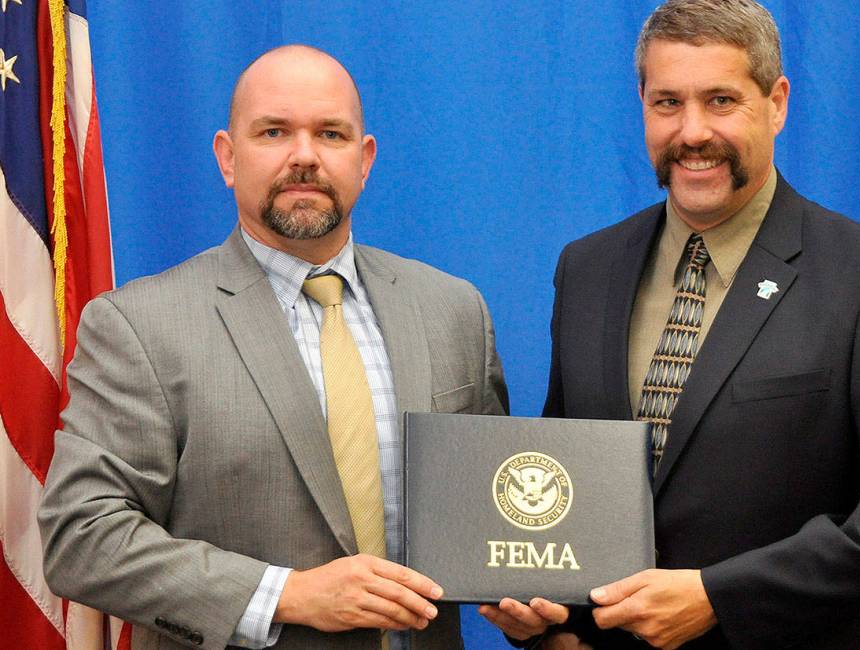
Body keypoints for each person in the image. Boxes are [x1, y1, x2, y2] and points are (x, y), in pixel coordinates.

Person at [480, 0, 860, 650]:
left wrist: (721, 597)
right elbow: (572, 479)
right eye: (668, 103)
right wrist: (549, 618)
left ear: (775, 104)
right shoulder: (587, 268)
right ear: (644, 108)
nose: (692, 133)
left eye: (721, 100)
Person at [38, 44, 508, 650]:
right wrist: (287, 595)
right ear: (228, 158)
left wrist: (528, 595)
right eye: (274, 132)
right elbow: (82, 536)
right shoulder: (138, 327)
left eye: (331, 134)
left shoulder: (452, 309)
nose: (304, 157)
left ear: (364, 160)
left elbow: (492, 514)